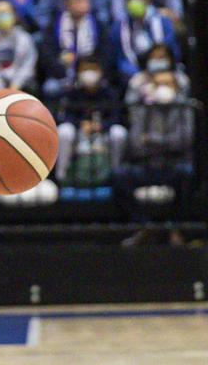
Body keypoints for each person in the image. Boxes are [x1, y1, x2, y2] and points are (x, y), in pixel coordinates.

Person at [115, 67, 193, 245]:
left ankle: (175, 227)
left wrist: (150, 140)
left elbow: (184, 140)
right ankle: (144, 226)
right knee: (120, 176)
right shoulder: (143, 107)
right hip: (146, 165)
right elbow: (135, 143)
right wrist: (165, 142)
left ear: (176, 86)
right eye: (158, 84)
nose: (163, 88)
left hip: (173, 165)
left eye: (167, 83)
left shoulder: (184, 107)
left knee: (188, 175)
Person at [55, 57, 126, 185]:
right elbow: (64, 116)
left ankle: (116, 174)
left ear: (101, 71)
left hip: (103, 134)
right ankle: (62, 176)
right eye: (85, 69)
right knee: (64, 131)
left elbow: (117, 117)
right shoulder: (72, 93)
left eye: (93, 69)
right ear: (77, 72)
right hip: (79, 134)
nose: (89, 73)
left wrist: (101, 126)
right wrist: (80, 124)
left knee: (119, 133)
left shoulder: (110, 93)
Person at [42, 0, 110, 100]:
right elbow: (47, 54)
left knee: (104, 87)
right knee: (50, 88)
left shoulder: (98, 25)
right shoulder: (54, 24)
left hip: (91, 71)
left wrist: (96, 71)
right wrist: (62, 71)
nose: (83, 2)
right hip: (62, 73)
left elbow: (106, 53)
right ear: (67, 3)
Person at [112, 0, 177, 81]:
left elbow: (172, 51)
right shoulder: (119, 27)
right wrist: (138, 75)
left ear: (148, 0)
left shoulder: (163, 23)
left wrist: (158, 73)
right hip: (135, 75)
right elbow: (121, 59)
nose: (134, 2)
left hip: (162, 71)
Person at [125, 42, 189, 103]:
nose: (157, 60)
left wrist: (174, 85)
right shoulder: (138, 79)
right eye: (154, 57)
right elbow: (130, 104)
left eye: (161, 57)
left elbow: (186, 105)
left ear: (170, 59)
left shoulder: (180, 79)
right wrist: (152, 83)